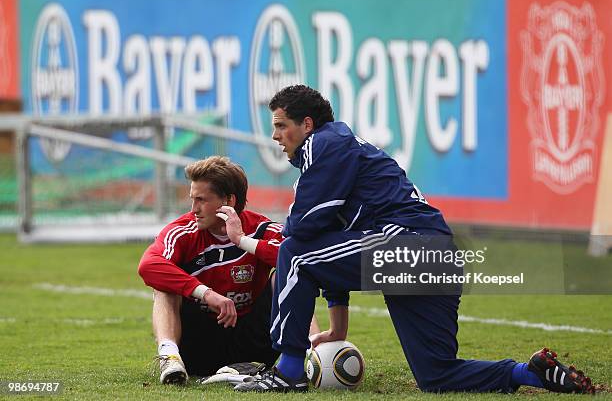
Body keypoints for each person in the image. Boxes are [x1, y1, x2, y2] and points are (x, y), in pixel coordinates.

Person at [235, 85, 595, 394]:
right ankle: (528, 372)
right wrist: (338, 328)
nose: (275, 136)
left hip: (407, 244)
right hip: (438, 255)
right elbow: (329, 243)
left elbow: (303, 232)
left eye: (281, 125)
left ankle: (289, 372)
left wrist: (249, 239)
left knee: (294, 253)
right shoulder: (341, 148)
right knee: (437, 374)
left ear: (307, 125)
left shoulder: (323, 143)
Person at [138, 156, 285, 384]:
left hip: (253, 345)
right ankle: (170, 358)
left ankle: (313, 352)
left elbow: (298, 257)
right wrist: (206, 293)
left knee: (289, 275)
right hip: (201, 344)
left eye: (201, 200)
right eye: (192, 199)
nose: (194, 209)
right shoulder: (183, 231)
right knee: (164, 284)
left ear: (229, 201)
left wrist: (243, 241)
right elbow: (148, 265)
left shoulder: (261, 228)